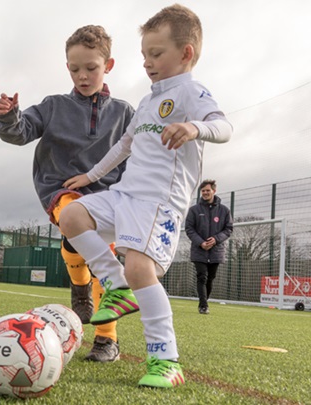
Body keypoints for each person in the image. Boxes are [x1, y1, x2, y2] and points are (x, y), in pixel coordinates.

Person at [59, 4, 233, 388]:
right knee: (71, 217)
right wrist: (90, 176)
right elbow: (124, 145)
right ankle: (116, 284)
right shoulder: (148, 100)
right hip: (125, 194)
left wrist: (194, 128)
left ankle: (165, 362)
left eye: (156, 53)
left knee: (141, 269)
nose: (147, 62)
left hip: (159, 202)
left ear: (185, 53)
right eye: (144, 55)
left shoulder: (191, 91)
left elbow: (223, 127)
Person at [0, 25, 134, 362]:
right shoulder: (54, 106)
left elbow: (137, 157)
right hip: (61, 189)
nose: (82, 76)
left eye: (91, 68)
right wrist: (9, 117)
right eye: (74, 69)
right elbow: (21, 132)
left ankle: (106, 339)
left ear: (108, 66)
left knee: (100, 255)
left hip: (107, 196)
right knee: (87, 236)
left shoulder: (125, 113)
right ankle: (80, 285)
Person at [185, 179, 233, 315]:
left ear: (214, 191)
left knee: (211, 278)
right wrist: (201, 242)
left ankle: (204, 301)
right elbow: (189, 229)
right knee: (202, 277)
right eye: (203, 191)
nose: (205, 193)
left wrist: (216, 239)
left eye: (208, 190)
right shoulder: (194, 210)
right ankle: (203, 305)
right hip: (199, 250)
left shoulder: (224, 210)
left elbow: (228, 229)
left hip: (216, 251)